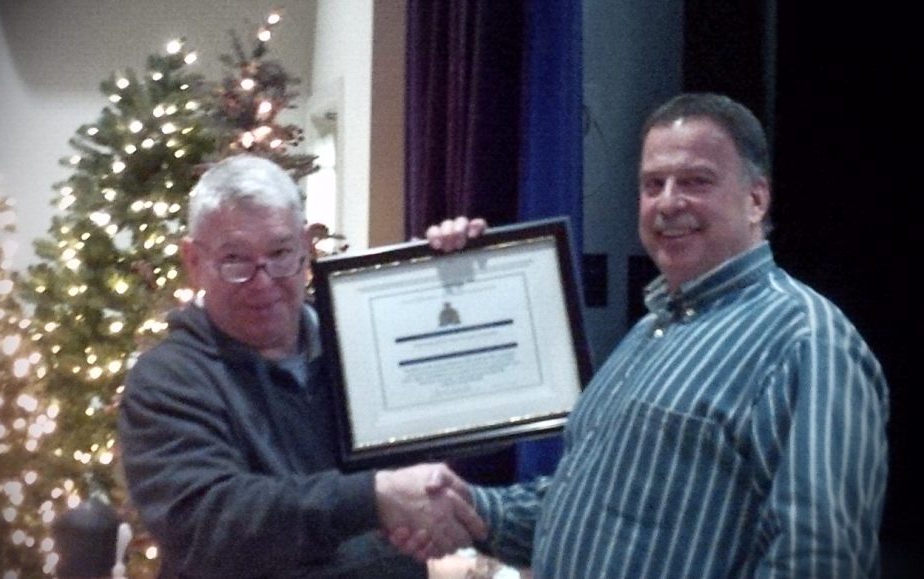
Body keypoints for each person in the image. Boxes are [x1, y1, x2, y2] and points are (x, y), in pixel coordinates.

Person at [411, 93, 889, 577]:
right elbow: (586, 505)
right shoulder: (650, 329)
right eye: (652, 184)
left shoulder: (808, 344)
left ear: (756, 199)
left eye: (696, 181)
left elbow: (819, 559)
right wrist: (466, 505)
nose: (668, 202)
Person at [117, 155, 486, 578]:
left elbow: (463, 419)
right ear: (194, 262)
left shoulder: (361, 341)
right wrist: (372, 498)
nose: (263, 282)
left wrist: (461, 277)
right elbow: (208, 526)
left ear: (307, 247)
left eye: (280, 253)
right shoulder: (167, 381)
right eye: (235, 260)